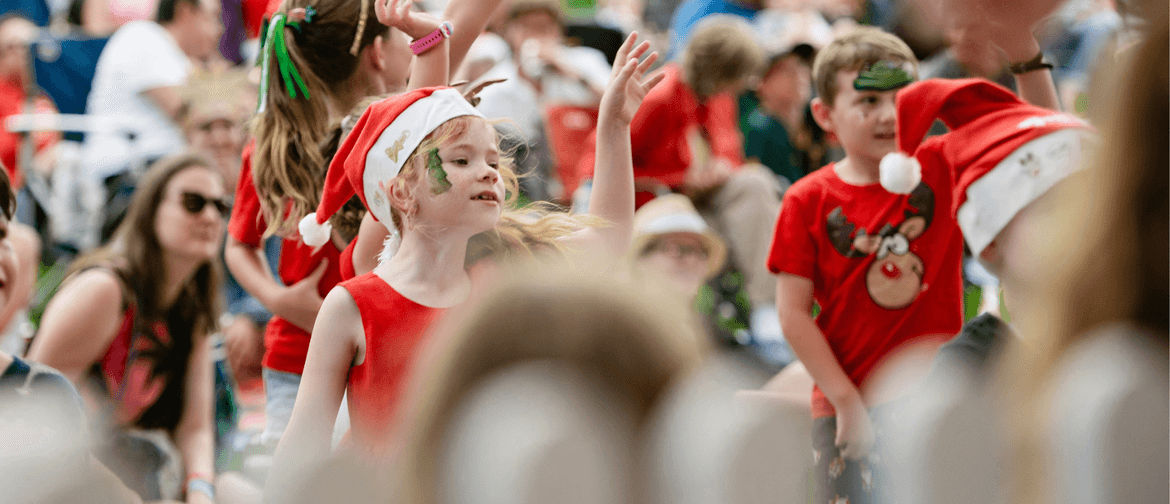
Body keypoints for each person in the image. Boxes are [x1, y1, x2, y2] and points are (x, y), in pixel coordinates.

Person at [266, 31, 662, 501]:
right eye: (461, 159)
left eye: (493, 160)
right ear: (401, 192)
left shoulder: (509, 270)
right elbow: (302, 447)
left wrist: (612, 127)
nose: (490, 171)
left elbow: (609, 238)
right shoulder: (353, 304)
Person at [224, 0, 504, 449]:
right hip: (332, 341)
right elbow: (456, 33)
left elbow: (448, 39)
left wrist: (279, 300)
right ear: (377, 53)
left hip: (355, 338)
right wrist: (282, 301)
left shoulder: (372, 131)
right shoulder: (381, 136)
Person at [765, 27, 965, 504]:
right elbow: (792, 315)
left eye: (903, 98)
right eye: (869, 101)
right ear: (824, 114)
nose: (889, 115)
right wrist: (845, 400)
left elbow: (1033, 131)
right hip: (849, 406)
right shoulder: (806, 199)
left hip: (937, 402)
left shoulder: (943, 165)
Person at [580, 15, 786, 362]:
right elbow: (594, 171)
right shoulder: (659, 97)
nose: (746, 84)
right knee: (755, 187)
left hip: (698, 202)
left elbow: (728, 149)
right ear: (724, 69)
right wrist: (679, 179)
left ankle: (769, 311)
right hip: (654, 204)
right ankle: (766, 313)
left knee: (757, 183)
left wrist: (722, 167)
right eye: (742, 75)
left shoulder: (718, 98)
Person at [26, 153, 226, 503]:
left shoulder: (192, 307)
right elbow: (34, 408)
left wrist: (200, 490)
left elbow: (196, 428)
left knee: (236, 492)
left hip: (132, 466)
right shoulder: (105, 290)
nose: (210, 216)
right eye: (193, 203)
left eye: (220, 206)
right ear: (150, 212)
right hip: (60, 471)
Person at [81, 0, 224, 242]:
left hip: (162, 174)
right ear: (185, 11)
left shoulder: (174, 54)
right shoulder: (143, 38)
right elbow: (195, 117)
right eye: (212, 18)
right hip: (133, 179)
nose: (219, 29)